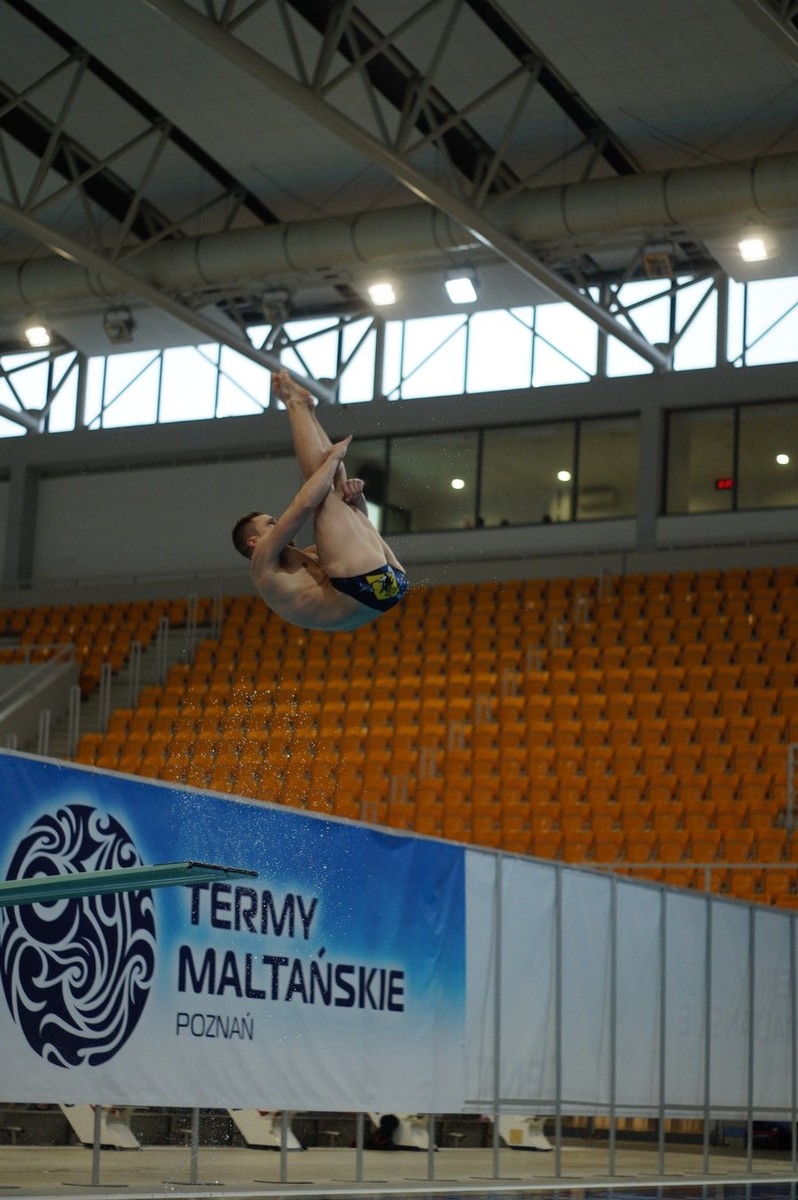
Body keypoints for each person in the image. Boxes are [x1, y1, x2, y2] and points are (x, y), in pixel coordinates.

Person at [231, 371, 408, 632]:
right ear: (253, 541)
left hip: (386, 586)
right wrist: (334, 458)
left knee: (336, 490)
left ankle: (306, 411)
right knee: (322, 494)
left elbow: (356, 536)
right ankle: (296, 405)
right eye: (269, 523)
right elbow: (304, 503)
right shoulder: (262, 563)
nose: (278, 523)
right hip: (367, 588)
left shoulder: (308, 557)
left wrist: (356, 500)